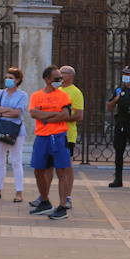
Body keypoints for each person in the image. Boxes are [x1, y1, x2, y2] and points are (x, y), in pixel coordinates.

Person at [27, 66, 74, 219]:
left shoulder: (64, 96)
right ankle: (45, 201)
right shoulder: (36, 95)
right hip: (42, 137)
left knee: (62, 171)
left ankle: (62, 206)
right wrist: (55, 114)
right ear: (47, 79)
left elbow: (66, 115)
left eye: (60, 78)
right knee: (38, 171)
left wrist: (45, 117)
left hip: (59, 137)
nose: (59, 81)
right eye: (56, 79)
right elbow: (34, 113)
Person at [0, 66, 27, 202]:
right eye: (7, 77)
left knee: (16, 161)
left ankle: (19, 192)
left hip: (16, 132)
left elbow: (17, 113)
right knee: (0, 162)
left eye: (11, 78)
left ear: (18, 80)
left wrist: (1, 111)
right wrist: (7, 111)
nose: (8, 80)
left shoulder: (22, 95)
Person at [59, 65, 83, 209]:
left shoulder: (76, 92)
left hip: (68, 135)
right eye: (59, 72)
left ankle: (67, 197)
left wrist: (61, 118)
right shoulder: (57, 90)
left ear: (71, 75)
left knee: (67, 167)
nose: (60, 75)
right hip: (53, 133)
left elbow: (79, 115)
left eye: (63, 73)